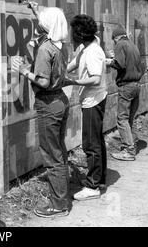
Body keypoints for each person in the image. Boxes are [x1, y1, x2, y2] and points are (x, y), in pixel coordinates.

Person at [12, 6, 71, 218]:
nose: (37, 24)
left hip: (48, 103)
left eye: (41, 21)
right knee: (59, 152)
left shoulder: (45, 49)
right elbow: (50, 23)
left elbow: (44, 81)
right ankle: (63, 196)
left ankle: (58, 204)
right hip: (60, 100)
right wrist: (38, 11)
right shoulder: (60, 45)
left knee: (51, 155)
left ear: (46, 25)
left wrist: (24, 71)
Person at [65, 15, 108, 201]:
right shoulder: (86, 47)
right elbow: (74, 63)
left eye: (73, 31)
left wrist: (71, 81)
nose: (70, 35)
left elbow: (95, 78)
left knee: (91, 143)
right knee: (96, 139)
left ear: (80, 34)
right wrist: (62, 70)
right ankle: (99, 179)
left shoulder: (93, 52)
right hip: (91, 99)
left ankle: (93, 186)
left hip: (93, 100)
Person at [106, 25, 145, 161]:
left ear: (116, 37)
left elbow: (120, 64)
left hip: (126, 85)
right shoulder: (132, 45)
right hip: (136, 85)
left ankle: (129, 150)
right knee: (130, 118)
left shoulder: (120, 44)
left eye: (114, 40)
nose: (114, 43)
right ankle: (132, 143)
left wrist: (109, 62)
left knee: (122, 119)